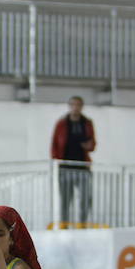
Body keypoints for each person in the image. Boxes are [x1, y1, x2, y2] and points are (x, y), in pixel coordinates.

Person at [50, 96, 96, 227]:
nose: (76, 108)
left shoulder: (87, 123)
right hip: (65, 168)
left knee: (85, 199)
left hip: (83, 167)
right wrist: (56, 163)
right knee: (65, 199)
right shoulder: (61, 124)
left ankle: (82, 224)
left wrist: (88, 145)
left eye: (78, 105)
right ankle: (64, 224)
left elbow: (93, 144)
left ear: (82, 107)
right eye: (73, 105)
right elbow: (54, 144)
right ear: (69, 106)